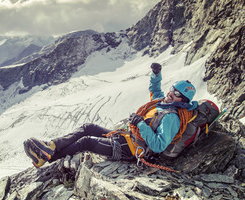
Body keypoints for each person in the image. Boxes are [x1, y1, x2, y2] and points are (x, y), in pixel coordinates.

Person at [23, 63, 198, 168]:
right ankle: (51, 145)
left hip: (133, 150)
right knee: (88, 127)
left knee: (87, 142)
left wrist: (140, 124)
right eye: (172, 89)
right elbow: (155, 91)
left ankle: (48, 157)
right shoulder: (162, 104)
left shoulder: (172, 118)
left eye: (176, 94)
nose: (170, 94)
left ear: (182, 101)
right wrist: (156, 75)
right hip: (129, 138)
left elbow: (158, 145)